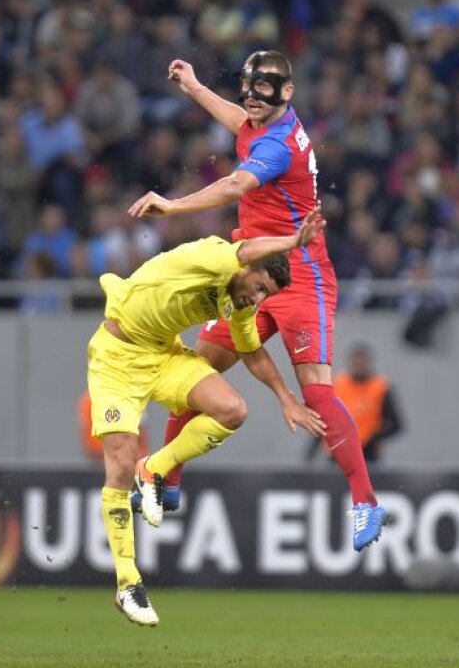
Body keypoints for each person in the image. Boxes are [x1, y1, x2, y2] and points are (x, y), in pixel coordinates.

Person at [128, 50, 388, 551]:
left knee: (316, 392)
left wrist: (174, 205)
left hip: (299, 274)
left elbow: (235, 184)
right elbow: (238, 122)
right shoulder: (262, 122)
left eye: (262, 89)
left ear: (286, 93)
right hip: (251, 272)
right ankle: (170, 481)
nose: (250, 98)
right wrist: (196, 88)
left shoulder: (278, 146)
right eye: (247, 88)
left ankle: (365, 502)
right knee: (195, 374)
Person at [90, 211, 327, 626]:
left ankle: (155, 468)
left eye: (264, 296)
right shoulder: (216, 256)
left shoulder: (237, 302)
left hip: (163, 354)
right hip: (117, 359)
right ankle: (128, 583)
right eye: (257, 287)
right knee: (119, 465)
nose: (255, 300)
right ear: (246, 268)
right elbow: (247, 248)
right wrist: (293, 241)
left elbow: (252, 352)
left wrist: (285, 397)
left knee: (233, 409)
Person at [309, 344, 404, 464]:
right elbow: (322, 420)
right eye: (356, 361)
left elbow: (397, 425)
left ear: (368, 362)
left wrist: (374, 438)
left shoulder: (380, 388)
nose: (359, 365)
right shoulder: (337, 385)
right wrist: (311, 452)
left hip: (368, 455)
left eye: (362, 361)